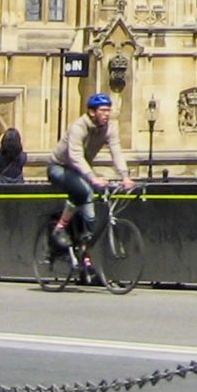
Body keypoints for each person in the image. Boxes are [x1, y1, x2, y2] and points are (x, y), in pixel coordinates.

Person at [47, 91, 134, 282]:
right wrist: (92, 177)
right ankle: (60, 228)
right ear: (92, 112)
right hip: (59, 167)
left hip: (80, 170)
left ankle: (84, 258)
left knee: (90, 219)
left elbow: (116, 151)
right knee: (85, 191)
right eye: (103, 110)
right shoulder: (78, 127)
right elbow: (75, 157)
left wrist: (125, 176)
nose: (107, 114)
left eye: (109, 110)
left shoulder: (110, 128)